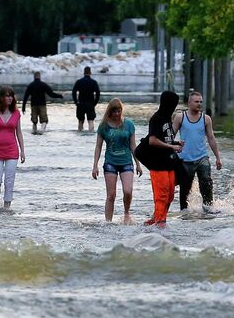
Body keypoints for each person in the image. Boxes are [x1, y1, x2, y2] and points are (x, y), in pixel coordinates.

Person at [91, 98, 143, 224]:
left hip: (126, 162)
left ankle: (126, 213)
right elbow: (98, 147)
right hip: (110, 163)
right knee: (111, 195)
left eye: (119, 111)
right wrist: (95, 166)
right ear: (110, 111)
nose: (117, 114)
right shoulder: (103, 126)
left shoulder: (129, 124)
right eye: (114, 111)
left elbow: (133, 146)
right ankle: (108, 222)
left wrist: (138, 164)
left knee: (128, 191)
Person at [172, 91, 222, 212]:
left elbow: (211, 138)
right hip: (185, 160)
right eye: (196, 102)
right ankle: (184, 212)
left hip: (202, 158)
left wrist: (218, 158)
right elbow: (170, 136)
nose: (199, 104)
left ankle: (208, 209)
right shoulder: (180, 117)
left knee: (206, 183)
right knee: (185, 188)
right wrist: (172, 149)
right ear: (189, 102)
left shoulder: (206, 119)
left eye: (201, 102)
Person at [143, 90, 182, 228]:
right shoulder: (157, 118)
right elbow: (152, 141)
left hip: (169, 164)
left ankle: (156, 218)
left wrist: (176, 144)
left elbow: (165, 139)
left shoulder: (167, 118)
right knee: (162, 195)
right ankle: (160, 223)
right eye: (173, 104)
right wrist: (172, 147)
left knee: (170, 195)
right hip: (157, 164)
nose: (174, 107)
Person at [0, 86, 26, 210]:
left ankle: (7, 208)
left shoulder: (16, 113)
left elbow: (19, 132)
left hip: (12, 151)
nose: (9, 98)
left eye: (11, 95)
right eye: (7, 95)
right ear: (1, 98)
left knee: (9, 180)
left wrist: (22, 151)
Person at [72, 66, 100, 132]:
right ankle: (90, 133)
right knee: (91, 121)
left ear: (84, 72)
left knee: (80, 121)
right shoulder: (94, 82)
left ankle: (80, 132)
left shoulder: (79, 82)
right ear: (90, 72)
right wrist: (94, 103)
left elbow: (73, 92)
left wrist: (76, 102)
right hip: (90, 104)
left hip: (81, 103)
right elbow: (98, 94)